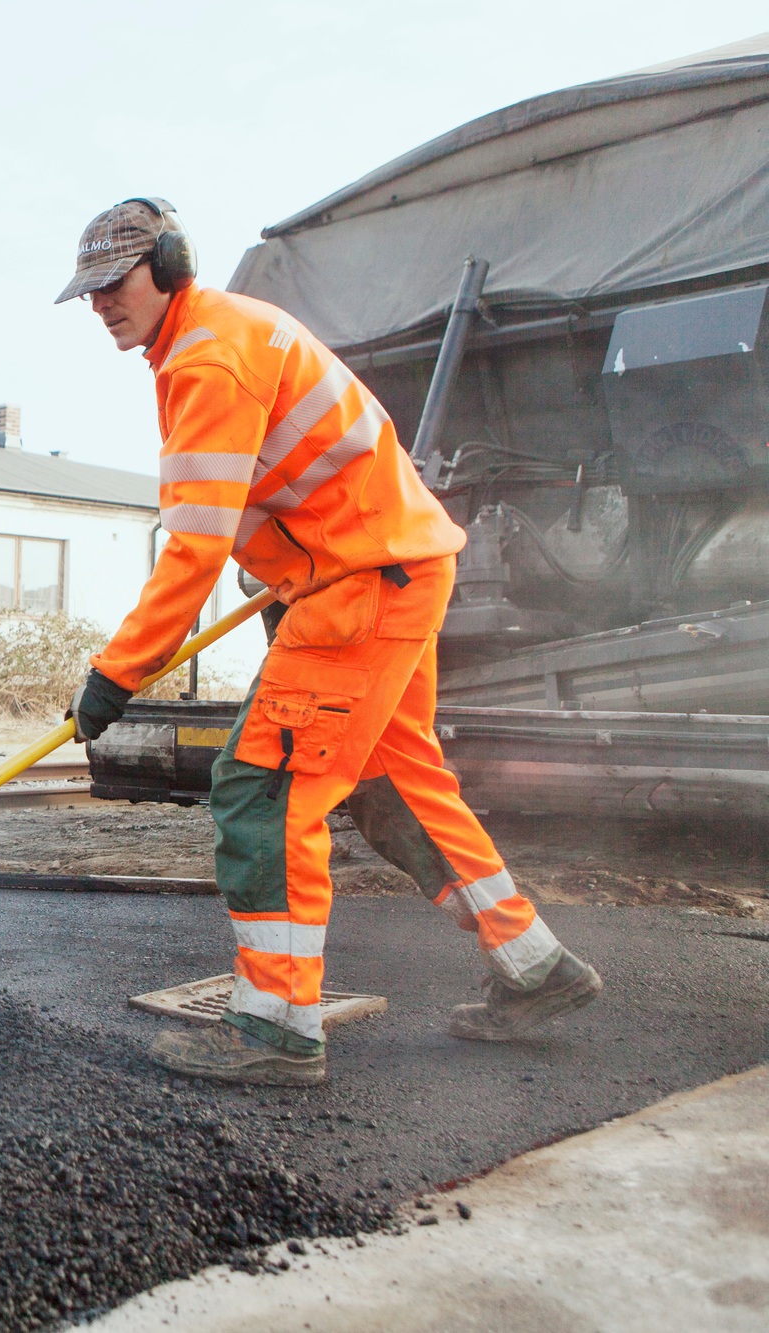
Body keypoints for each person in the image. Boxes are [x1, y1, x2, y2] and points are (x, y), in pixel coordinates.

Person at [57, 198, 601, 1086]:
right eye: (88, 292)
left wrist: (114, 675)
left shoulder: (208, 359)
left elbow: (194, 544)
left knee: (262, 790)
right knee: (394, 783)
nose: (99, 305)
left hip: (361, 584)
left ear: (169, 263)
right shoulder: (218, 337)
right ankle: (537, 967)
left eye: (113, 284)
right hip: (387, 568)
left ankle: (275, 1026)